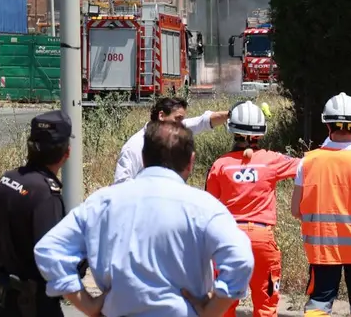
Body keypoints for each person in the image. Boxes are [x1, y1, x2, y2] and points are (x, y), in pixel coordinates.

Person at [34, 120, 255, 317]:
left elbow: (50, 249)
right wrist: (212, 310)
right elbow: (241, 258)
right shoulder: (205, 207)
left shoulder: (103, 202)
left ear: (143, 157)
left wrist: (87, 304)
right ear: (191, 161)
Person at [291, 92, 351, 317]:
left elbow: (296, 210)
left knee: (319, 303)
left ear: (327, 126)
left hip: (322, 250)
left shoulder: (308, 162)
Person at [205, 101, 301, 317]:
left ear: (232, 130)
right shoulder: (272, 160)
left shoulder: (220, 165)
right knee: (266, 306)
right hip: (262, 239)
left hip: (229, 239)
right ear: (261, 132)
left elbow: (209, 208)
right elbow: (305, 166)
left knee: (223, 307)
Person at [0, 110, 77, 317]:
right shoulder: (46, 195)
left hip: (0, 301)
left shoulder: (7, 180)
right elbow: (51, 259)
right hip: (32, 306)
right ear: (66, 153)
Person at [113, 96, 229, 184]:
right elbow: (121, 184)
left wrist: (231, 114)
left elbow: (204, 121)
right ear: (161, 116)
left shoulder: (175, 131)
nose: (181, 124)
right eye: (177, 118)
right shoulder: (135, 146)